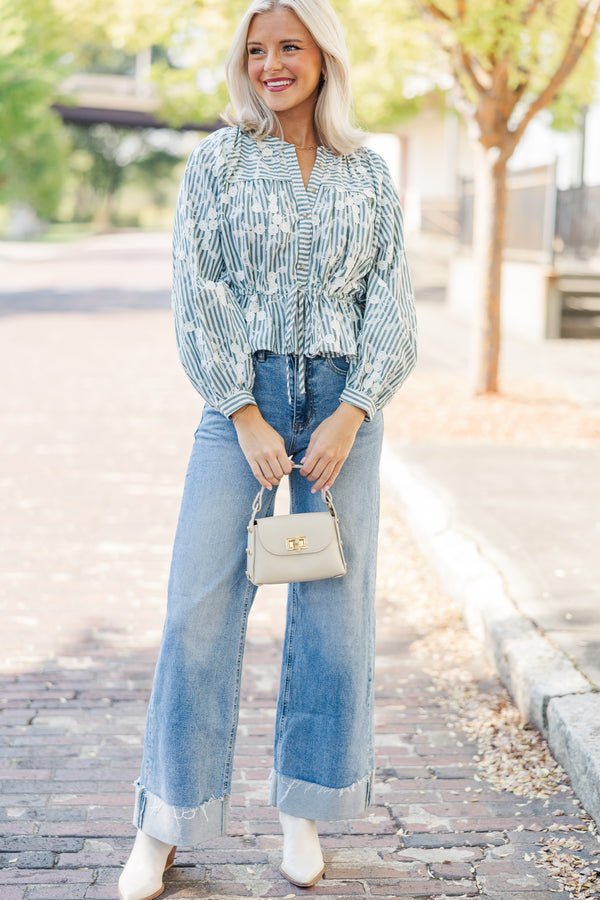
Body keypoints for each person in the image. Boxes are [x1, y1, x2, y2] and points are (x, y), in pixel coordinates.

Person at [118, 0, 417, 897]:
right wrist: (243, 412)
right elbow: (196, 287)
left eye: (290, 46)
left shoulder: (367, 173)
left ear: (324, 57)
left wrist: (353, 410)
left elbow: (392, 303)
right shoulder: (215, 161)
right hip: (237, 403)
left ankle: (303, 808)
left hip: (340, 408)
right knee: (196, 610)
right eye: (258, 50)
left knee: (331, 617)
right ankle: (166, 823)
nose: (272, 64)